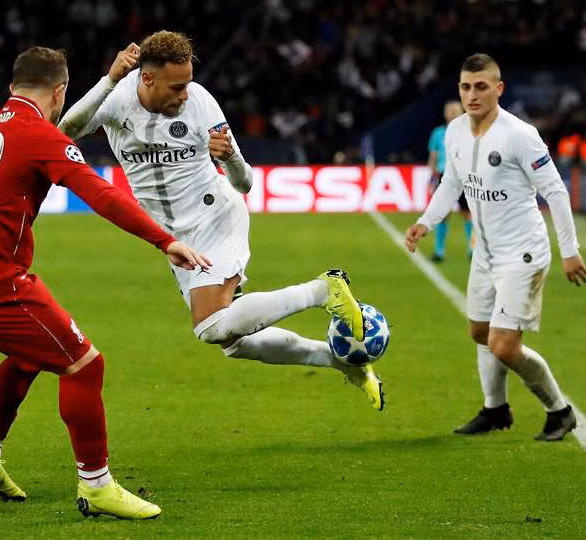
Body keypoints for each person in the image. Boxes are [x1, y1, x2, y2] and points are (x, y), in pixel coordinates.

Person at [0, 46, 210, 519]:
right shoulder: (38, 134)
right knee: (84, 365)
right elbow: (98, 192)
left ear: (12, 87)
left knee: (29, 356)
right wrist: (164, 240)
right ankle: (96, 485)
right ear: (59, 92)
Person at [58, 32, 384, 410]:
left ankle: (323, 290)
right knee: (234, 342)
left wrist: (229, 157)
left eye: (188, 83)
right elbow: (64, 132)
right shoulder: (117, 98)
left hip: (215, 216)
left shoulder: (201, 103)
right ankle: (343, 362)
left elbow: (245, 183)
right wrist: (109, 80)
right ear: (147, 78)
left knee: (210, 326)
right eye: (176, 87)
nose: (185, 94)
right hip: (174, 236)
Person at [405, 53, 586, 441]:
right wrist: (426, 221)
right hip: (485, 252)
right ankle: (496, 409)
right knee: (479, 332)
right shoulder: (455, 131)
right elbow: (452, 184)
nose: (472, 95)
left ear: (499, 89)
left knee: (504, 346)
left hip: (522, 253)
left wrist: (570, 250)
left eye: (481, 87)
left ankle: (559, 411)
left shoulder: (519, 135)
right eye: (466, 87)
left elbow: (555, 191)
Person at [427, 100, 472, 262]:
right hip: (444, 175)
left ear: (461, 113)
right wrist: (432, 176)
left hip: (464, 176)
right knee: (442, 214)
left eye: (455, 111)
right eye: (450, 111)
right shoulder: (438, 133)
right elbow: (433, 156)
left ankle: (473, 249)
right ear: (445, 114)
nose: (452, 114)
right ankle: (439, 251)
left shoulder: (470, 131)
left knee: (468, 213)